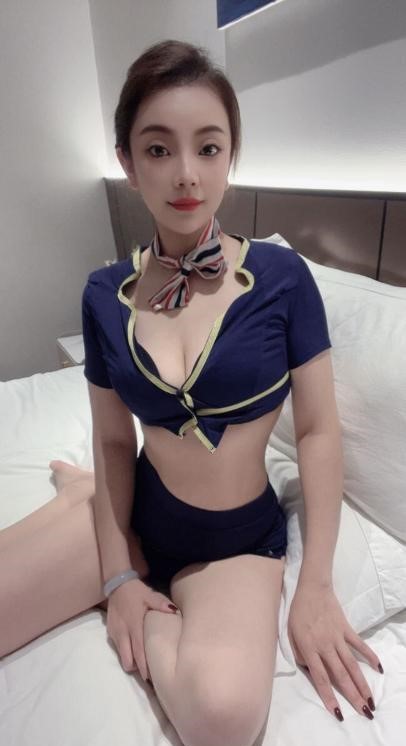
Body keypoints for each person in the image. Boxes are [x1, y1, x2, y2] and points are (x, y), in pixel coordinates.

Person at [1, 39, 382, 745]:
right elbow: (113, 439)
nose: (186, 173)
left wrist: (316, 585)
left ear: (230, 156)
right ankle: (84, 500)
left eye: (208, 148)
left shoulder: (282, 280)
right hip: (137, 512)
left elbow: (318, 431)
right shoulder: (103, 292)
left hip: (236, 544)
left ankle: (90, 516)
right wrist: (118, 578)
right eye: (158, 149)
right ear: (127, 162)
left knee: (221, 720)